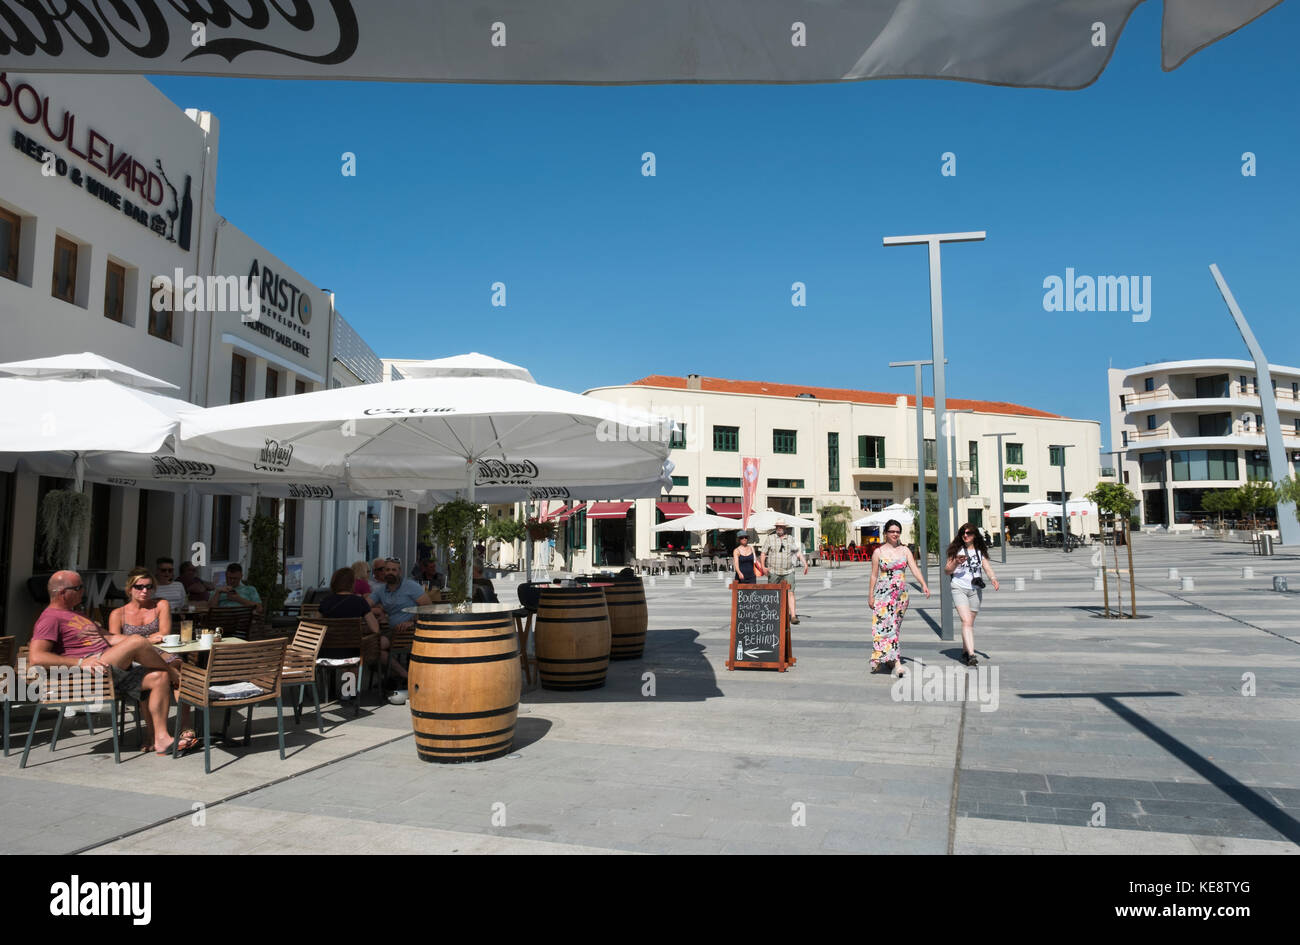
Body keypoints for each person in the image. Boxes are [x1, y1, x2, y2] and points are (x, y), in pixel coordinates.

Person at [29, 571, 177, 755]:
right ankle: (177, 677)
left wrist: (146, 644)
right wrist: (81, 662)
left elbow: (111, 638)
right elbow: (36, 657)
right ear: (62, 593)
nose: (83, 591)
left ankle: (161, 738)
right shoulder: (50, 618)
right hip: (89, 675)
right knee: (138, 641)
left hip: (110, 671)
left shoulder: (77, 614)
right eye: (79, 588)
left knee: (159, 676)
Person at [110, 566, 197, 752]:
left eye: (149, 587)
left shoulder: (160, 605)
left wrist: (145, 641)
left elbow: (164, 633)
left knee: (179, 666)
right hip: (134, 658)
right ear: (129, 589)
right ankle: (152, 734)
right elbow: (113, 643)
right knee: (149, 674)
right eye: (139, 587)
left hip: (162, 651)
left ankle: (185, 725)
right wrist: (147, 640)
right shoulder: (118, 614)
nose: (144, 591)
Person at [869, 519, 930, 677]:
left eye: (897, 531)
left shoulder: (905, 551)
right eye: (892, 531)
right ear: (886, 533)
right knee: (884, 627)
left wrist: (923, 583)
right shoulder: (878, 552)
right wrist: (870, 595)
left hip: (901, 595)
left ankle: (886, 658)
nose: (895, 534)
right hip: (883, 595)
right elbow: (874, 575)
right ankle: (896, 663)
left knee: (895, 627)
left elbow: (914, 569)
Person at [367, 557, 433, 684]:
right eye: (387, 570)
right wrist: (376, 611)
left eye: (394, 570)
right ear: (383, 572)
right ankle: (404, 675)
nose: (390, 572)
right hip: (392, 631)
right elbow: (365, 605)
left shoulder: (411, 586)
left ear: (400, 572)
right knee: (372, 648)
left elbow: (428, 607)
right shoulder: (381, 590)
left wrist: (412, 622)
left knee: (374, 647)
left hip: (410, 632)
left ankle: (398, 677)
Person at [945, 522, 1000, 666]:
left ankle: (965, 650)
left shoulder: (979, 551)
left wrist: (993, 578)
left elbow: (987, 567)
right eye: (963, 533)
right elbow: (947, 570)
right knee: (966, 621)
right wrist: (956, 562)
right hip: (959, 587)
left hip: (975, 590)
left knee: (969, 623)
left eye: (968, 533)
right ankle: (971, 654)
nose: (965, 535)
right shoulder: (956, 550)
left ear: (974, 535)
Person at [759, 520, 808, 625]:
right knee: (772, 594)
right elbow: (763, 553)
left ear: (785, 528)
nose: (779, 528)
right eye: (777, 526)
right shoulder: (770, 538)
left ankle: (793, 616)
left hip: (788, 571)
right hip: (773, 571)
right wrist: (763, 566)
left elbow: (797, 552)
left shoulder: (790, 539)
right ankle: (772, 615)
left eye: (781, 526)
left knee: (791, 592)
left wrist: (805, 563)